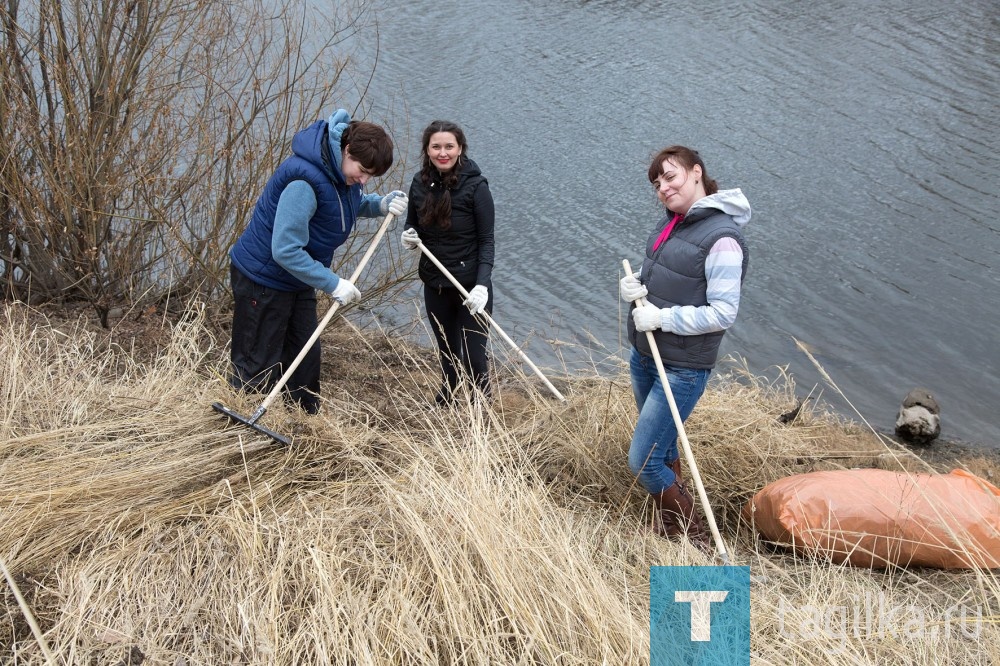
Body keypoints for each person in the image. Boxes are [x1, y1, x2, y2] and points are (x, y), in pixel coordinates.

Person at [227, 109, 408, 414]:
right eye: (362, 170)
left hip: (297, 278)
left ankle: (303, 423)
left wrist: (378, 204)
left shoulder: (341, 173)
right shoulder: (304, 182)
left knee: (305, 355)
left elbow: (340, 203)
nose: (363, 179)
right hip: (264, 279)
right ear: (347, 150)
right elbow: (284, 251)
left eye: (370, 176)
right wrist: (333, 282)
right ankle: (242, 420)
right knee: (258, 360)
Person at [619, 145, 750, 547]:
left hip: (681, 368)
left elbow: (723, 312)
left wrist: (662, 319)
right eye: (657, 183)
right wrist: (637, 282)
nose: (663, 187)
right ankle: (670, 525)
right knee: (663, 447)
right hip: (646, 357)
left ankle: (697, 534)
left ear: (696, 173)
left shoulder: (723, 239)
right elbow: (668, 271)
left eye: (670, 176)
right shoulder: (673, 223)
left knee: (642, 461)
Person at [400, 120, 496, 405]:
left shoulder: (477, 187)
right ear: (427, 150)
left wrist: (482, 286)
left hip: (470, 289)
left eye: (449, 146)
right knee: (447, 351)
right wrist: (409, 238)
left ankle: (482, 408)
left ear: (460, 148)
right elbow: (411, 225)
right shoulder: (419, 183)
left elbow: (487, 242)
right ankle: (448, 397)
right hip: (435, 283)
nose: (443, 152)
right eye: (436, 146)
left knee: (474, 357)